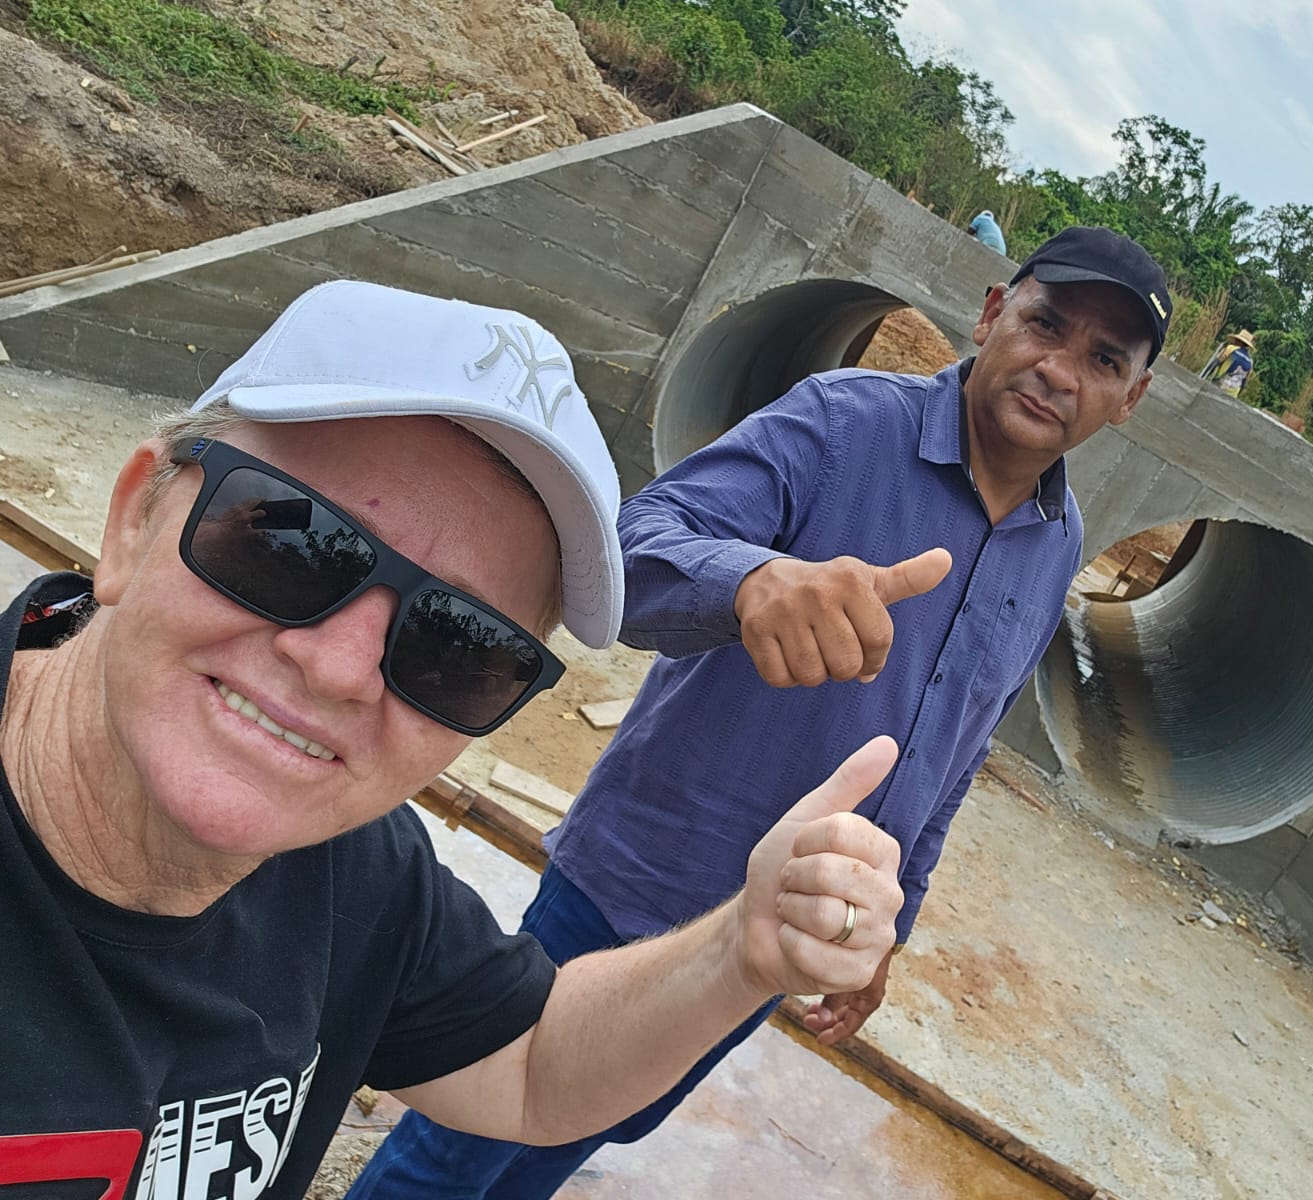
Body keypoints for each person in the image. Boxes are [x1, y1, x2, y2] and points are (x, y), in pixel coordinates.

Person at [0, 280, 907, 1198]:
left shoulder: (357, 873)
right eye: (286, 541)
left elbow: (531, 1069)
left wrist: (739, 950)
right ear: (132, 521)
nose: (341, 668)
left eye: (459, 645)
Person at [354, 225, 1171, 1198]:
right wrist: (752, 580)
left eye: (1103, 358)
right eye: (1047, 323)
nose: (1058, 366)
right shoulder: (840, 423)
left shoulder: (1055, 542)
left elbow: (951, 756)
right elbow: (632, 548)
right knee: (459, 1153)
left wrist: (886, 927)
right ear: (994, 312)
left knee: (576, 1136)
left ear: (1130, 399)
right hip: (637, 886)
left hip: (775, 935)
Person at [1200, 328, 1255, 396]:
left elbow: (1216, 363)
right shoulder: (1250, 361)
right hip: (1233, 394)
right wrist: (1238, 395)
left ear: (1239, 341)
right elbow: (1244, 382)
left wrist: (1203, 376)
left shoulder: (1231, 349)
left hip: (1220, 385)